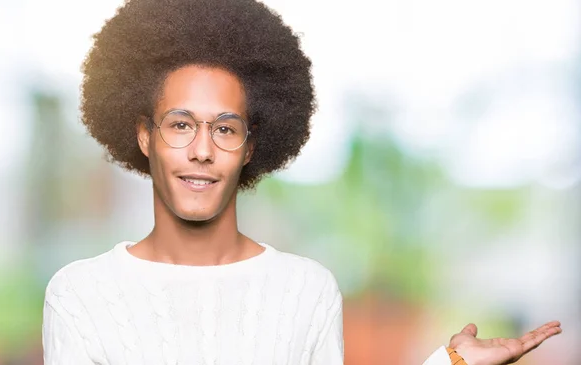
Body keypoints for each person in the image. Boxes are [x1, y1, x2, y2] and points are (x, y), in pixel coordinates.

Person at [41, 0, 562, 364]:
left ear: (250, 147)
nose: (202, 149)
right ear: (144, 136)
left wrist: (450, 364)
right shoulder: (80, 295)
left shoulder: (305, 290)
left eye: (224, 128)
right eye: (181, 125)